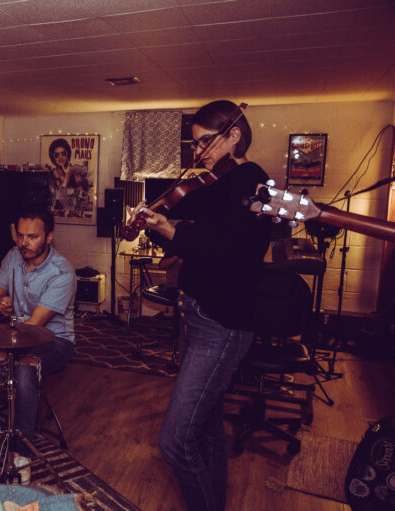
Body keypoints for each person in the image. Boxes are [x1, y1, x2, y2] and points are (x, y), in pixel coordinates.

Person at [127, 100, 271, 510]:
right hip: (195, 316)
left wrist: (170, 229)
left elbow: (223, 252)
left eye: (206, 142)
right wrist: (153, 225)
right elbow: (183, 237)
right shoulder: (213, 182)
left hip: (222, 323)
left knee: (175, 440)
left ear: (234, 134)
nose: (200, 152)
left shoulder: (251, 181)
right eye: (196, 144)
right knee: (206, 429)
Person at [0, 208, 76, 483]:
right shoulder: (14, 256)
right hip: (15, 335)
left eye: (32, 237)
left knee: (24, 369)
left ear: (49, 237)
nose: (23, 243)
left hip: (55, 342)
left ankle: (22, 455)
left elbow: (34, 327)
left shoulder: (62, 272)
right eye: (20, 236)